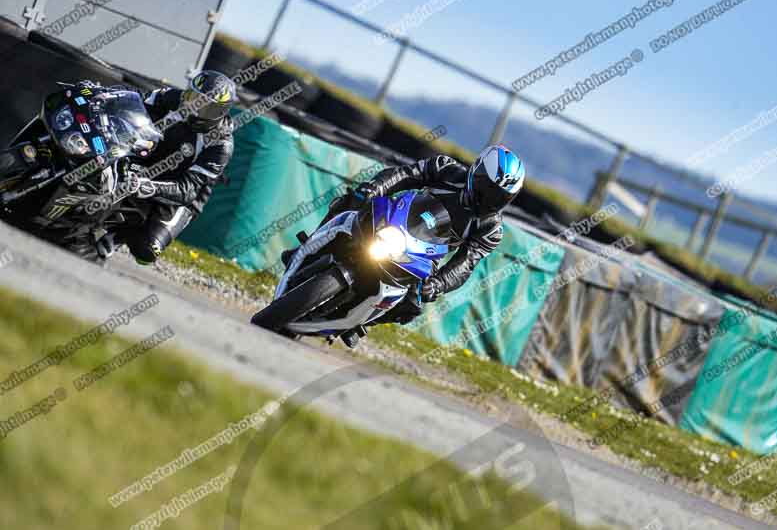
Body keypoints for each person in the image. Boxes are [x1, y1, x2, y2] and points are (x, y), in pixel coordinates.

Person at [288, 144, 526, 348]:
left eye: (500, 197)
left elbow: (466, 263)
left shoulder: (491, 229)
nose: (490, 199)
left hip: (425, 252)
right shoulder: (446, 168)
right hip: (396, 215)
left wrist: (439, 283)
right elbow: (405, 174)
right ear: (477, 172)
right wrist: (375, 188)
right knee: (349, 201)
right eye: (488, 189)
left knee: (413, 304)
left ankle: (360, 322)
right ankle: (309, 244)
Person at [98, 70, 237, 263]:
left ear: (220, 113)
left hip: (183, 194)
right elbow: (134, 98)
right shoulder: (173, 99)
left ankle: (118, 236)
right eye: (193, 98)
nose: (195, 108)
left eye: (205, 107)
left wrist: (147, 186)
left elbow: (187, 190)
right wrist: (103, 93)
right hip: (150, 161)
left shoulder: (220, 145)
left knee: (147, 251)